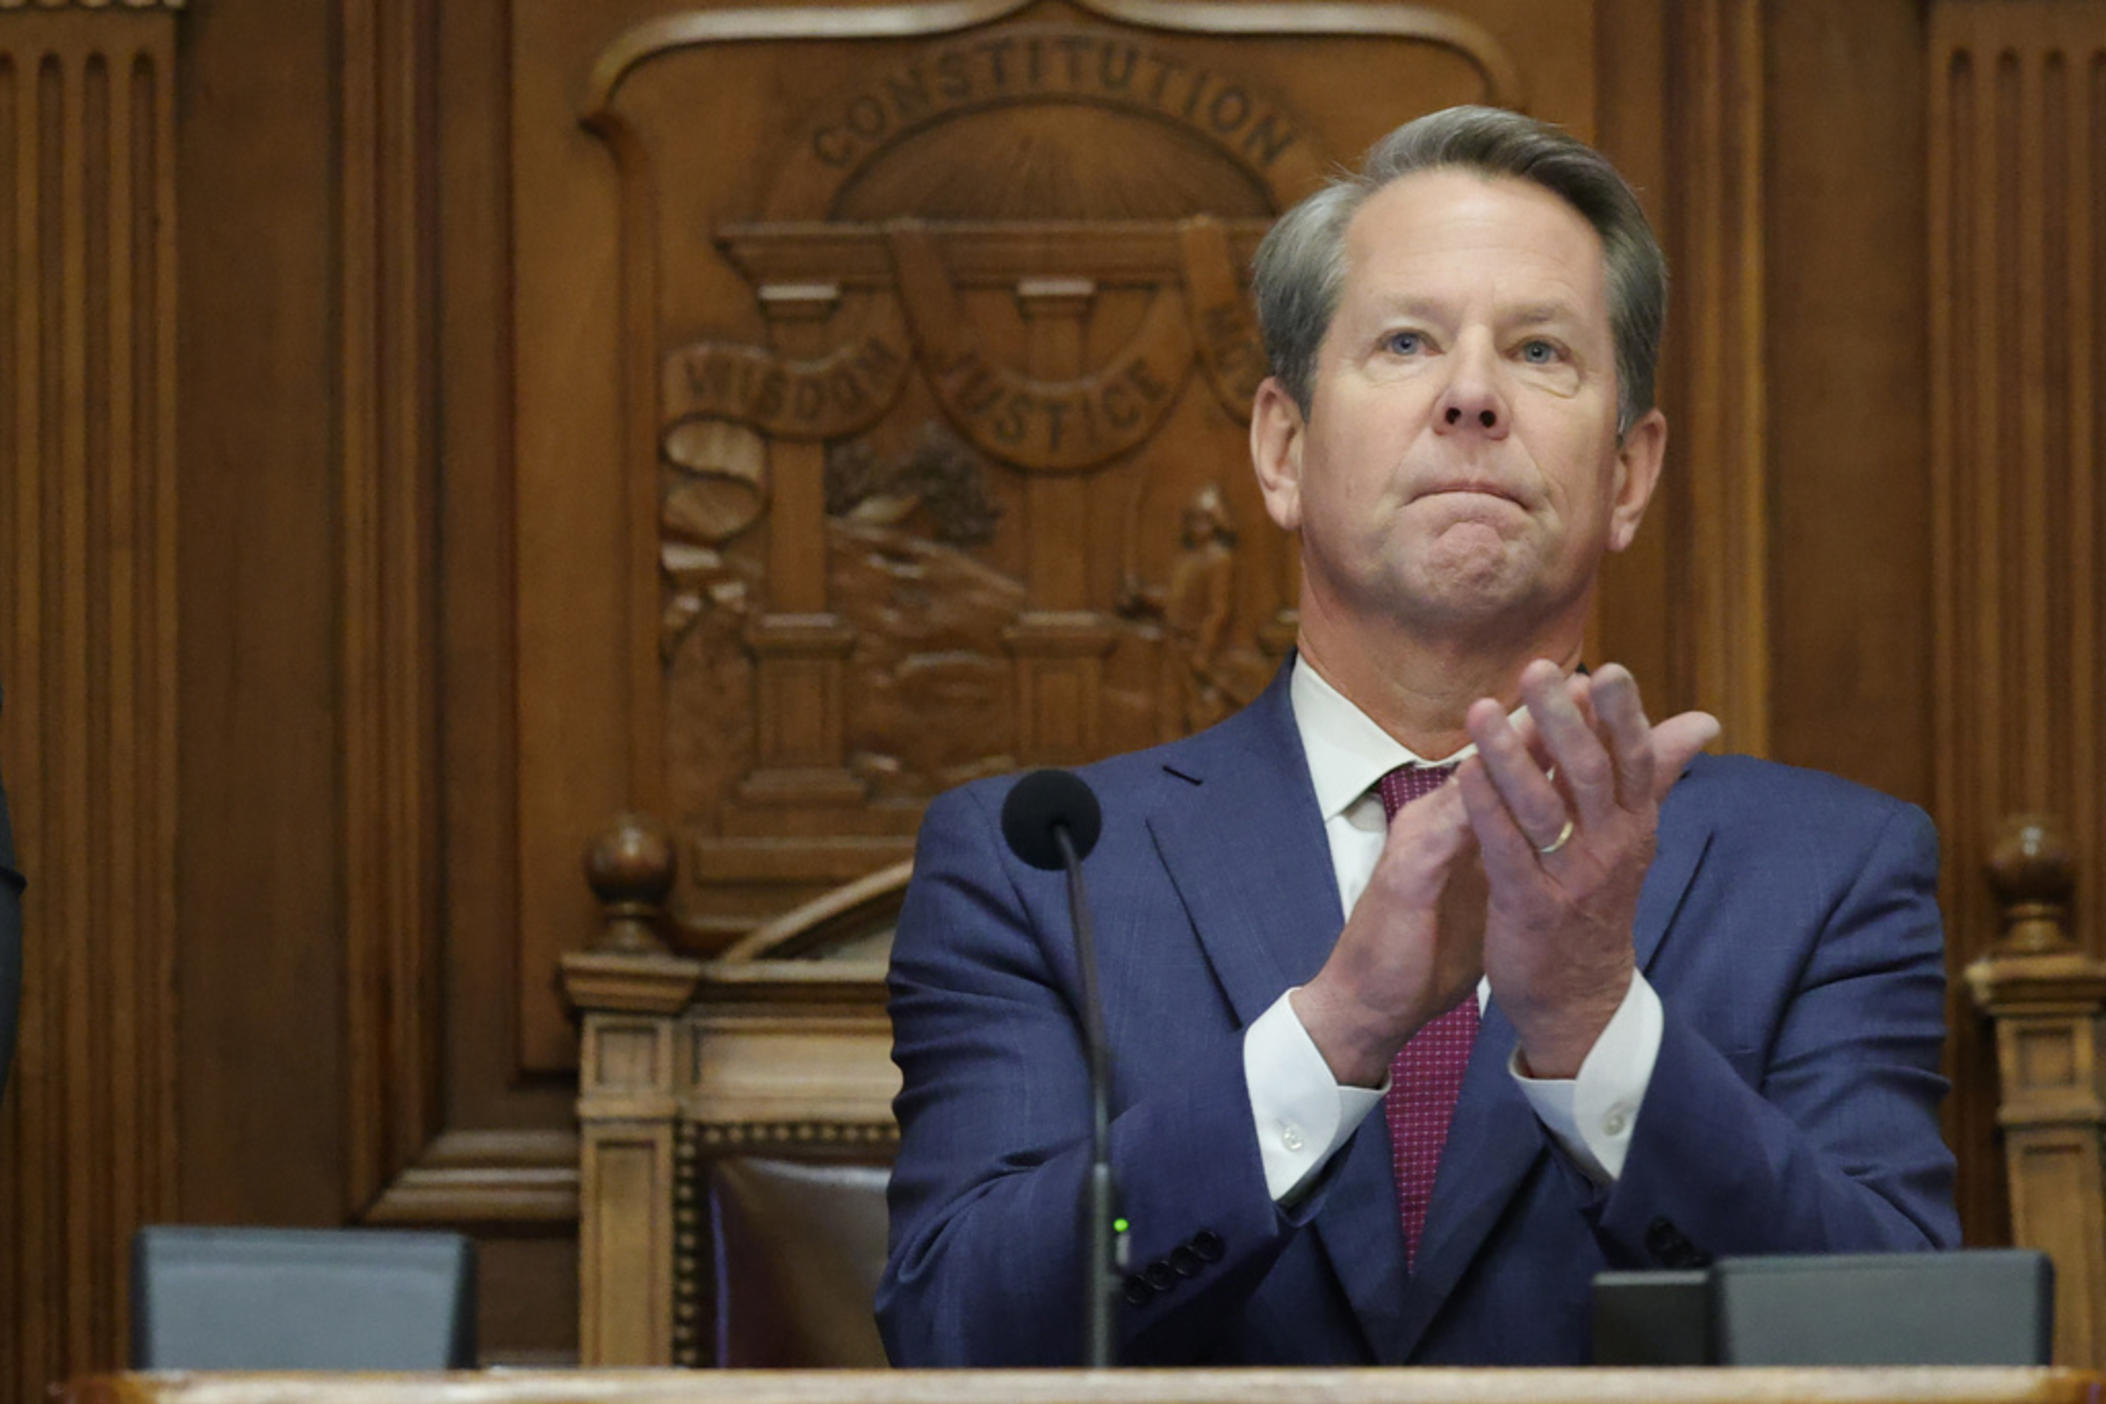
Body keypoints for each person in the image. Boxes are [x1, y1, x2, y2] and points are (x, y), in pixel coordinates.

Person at [876, 105, 1958, 1368]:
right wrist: (1334, 1031)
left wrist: (1600, 1028)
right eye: (1406, 341)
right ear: (1282, 451)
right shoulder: (1041, 866)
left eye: (1542, 351)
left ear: (1630, 475)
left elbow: (1913, 1352)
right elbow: (959, 1330)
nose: (1473, 397)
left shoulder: (1831, 874)